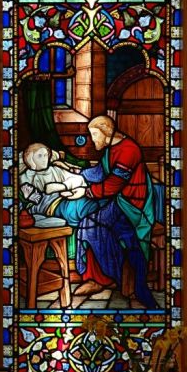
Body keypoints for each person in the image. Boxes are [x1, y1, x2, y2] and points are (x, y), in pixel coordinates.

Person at [70, 115, 159, 310]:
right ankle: (98, 278)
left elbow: (114, 184)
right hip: (119, 201)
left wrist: (87, 191)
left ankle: (123, 282)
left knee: (94, 225)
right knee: (90, 224)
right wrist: (77, 174)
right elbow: (101, 172)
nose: (93, 139)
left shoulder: (129, 150)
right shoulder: (111, 149)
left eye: (94, 135)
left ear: (106, 133)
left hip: (133, 205)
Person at [19, 143, 97, 227]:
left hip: (69, 197)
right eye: (40, 156)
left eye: (46, 155)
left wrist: (63, 186)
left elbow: (79, 179)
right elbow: (25, 202)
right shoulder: (26, 177)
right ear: (30, 159)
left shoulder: (56, 170)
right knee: (78, 209)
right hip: (52, 205)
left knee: (92, 203)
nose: (44, 159)